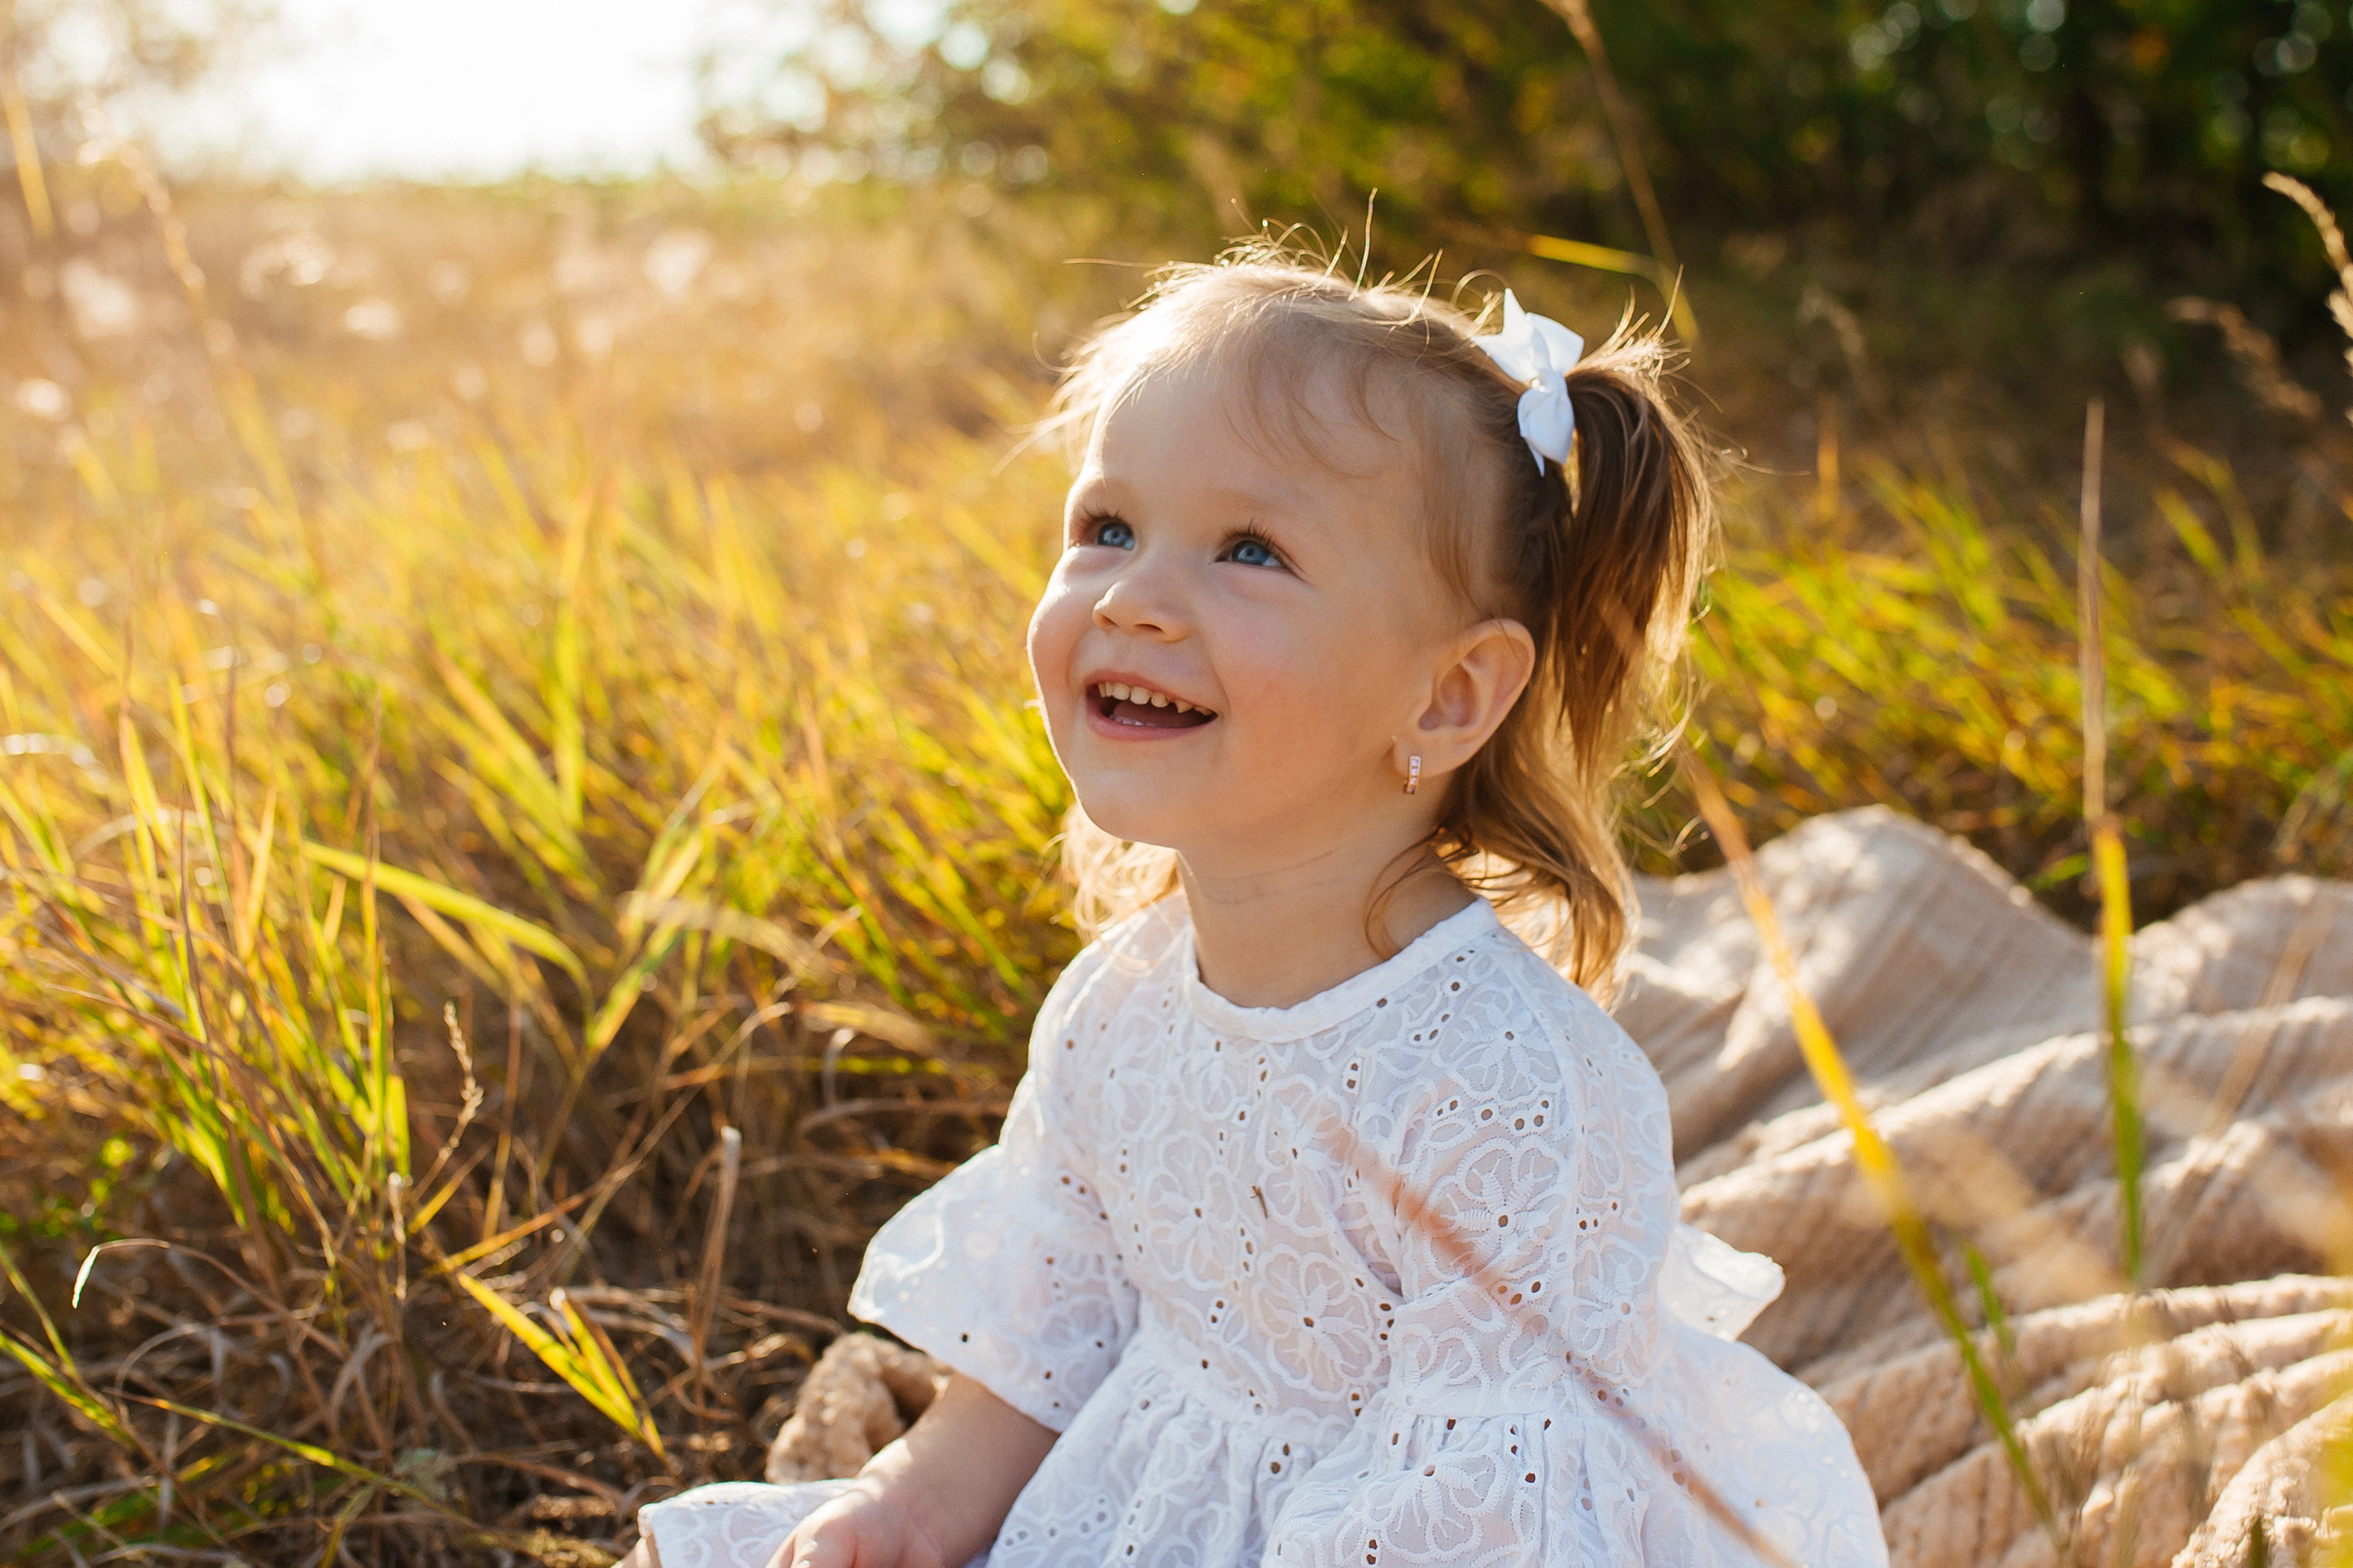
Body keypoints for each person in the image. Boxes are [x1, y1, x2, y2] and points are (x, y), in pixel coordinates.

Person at [623, 246, 1887, 1568]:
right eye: (1106, 526)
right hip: (1156, 1495)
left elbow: (1473, 1514)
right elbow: (1055, 1334)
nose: (1132, 597)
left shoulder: (1509, 1095)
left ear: (1447, 697)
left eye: (1250, 550)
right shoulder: (1120, 1004)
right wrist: (908, 1509)